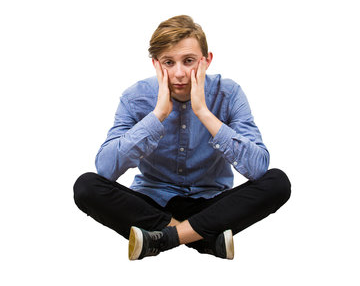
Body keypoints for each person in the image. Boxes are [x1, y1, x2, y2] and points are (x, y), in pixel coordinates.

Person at [73, 15, 291, 261]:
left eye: (188, 61)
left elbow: (259, 167)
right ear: (156, 64)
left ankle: (163, 239)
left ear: (206, 61)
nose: (179, 74)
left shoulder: (228, 93)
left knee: (278, 183)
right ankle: (205, 239)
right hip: (152, 203)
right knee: (86, 187)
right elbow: (105, 168)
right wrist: (157, 115)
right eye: (168, 62)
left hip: (210, 203)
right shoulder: (135, 98)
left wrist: (204, 113)